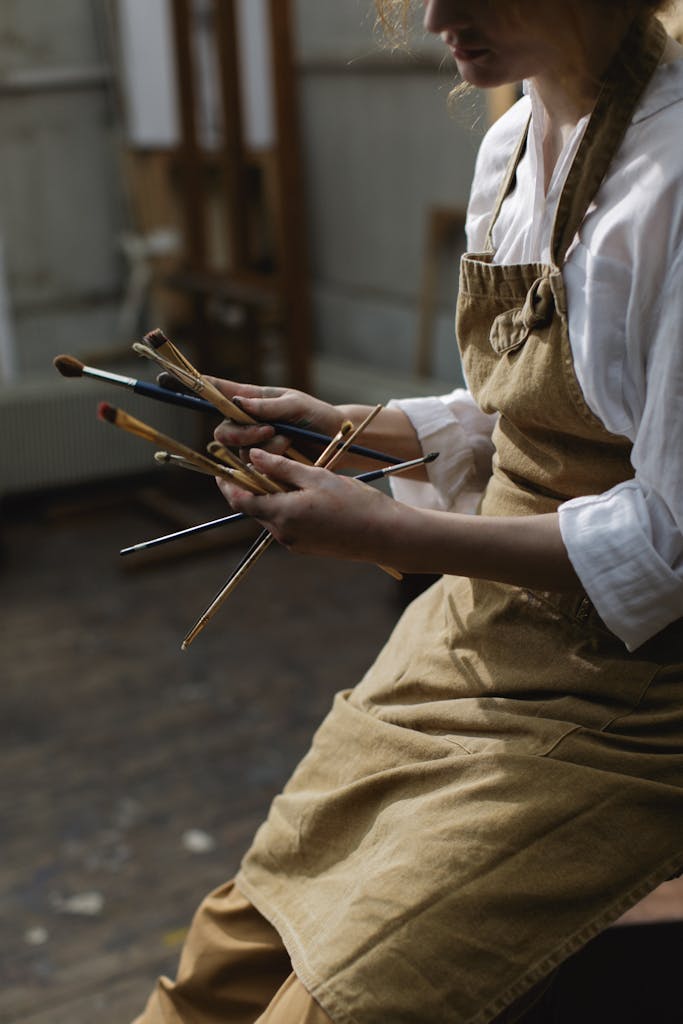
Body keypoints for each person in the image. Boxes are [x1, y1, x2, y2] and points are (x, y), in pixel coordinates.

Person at [133, 2, 683, 1022]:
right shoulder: (513, 139)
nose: (433, 17)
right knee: (233, 947)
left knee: (338, 1001)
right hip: (477, 634)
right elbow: (526, 418)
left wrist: (387, 532)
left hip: (630, 701)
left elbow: (669, 540)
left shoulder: (675, 177)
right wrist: (352, 424)